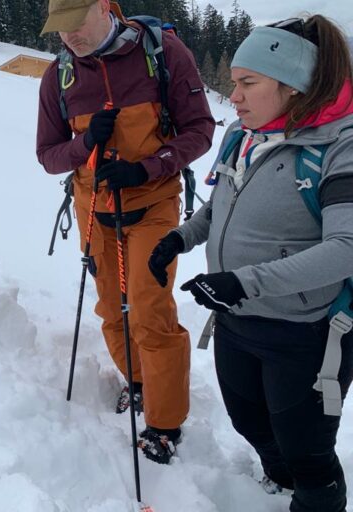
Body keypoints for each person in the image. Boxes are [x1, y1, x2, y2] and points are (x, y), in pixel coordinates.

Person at [149, 15, 353, 511]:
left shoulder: (339, 146)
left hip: (305, 333)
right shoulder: (242, 134)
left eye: (248, 83)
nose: (232, 95)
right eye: (234, 82)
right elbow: (221, 205)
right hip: (237, 322)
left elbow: (346, 246)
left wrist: (244, 281)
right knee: (248, 420)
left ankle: (313, 496)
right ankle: (279, 477)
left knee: (307, 447)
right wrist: (180, 237)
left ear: (295, 86)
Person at [36, 0, 214, 463]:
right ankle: (136, 382)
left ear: (103, 8)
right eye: (60, 30)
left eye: (76, 25)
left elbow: (199, 129)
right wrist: (85, 143)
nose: (69, 37)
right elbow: (49, 155)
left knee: (149, 306)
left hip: (153, 201)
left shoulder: (164, 53)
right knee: (112, 307)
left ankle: (164, 422)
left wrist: (148, 169)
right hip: (93, 206)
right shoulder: (59, 76)